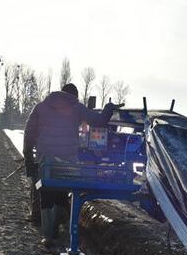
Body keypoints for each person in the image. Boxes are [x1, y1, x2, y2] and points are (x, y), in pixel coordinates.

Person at [23, 83, 119, 246]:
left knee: (46, 193)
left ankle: (48, 236)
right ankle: (59, 228)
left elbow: (29, 134)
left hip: (45, 159)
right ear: (73, 96)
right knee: (62, 191)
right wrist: (109, 108)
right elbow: (100, 121)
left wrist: (28, 159)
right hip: (68, 160)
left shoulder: (40, 107)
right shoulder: (76, 107)